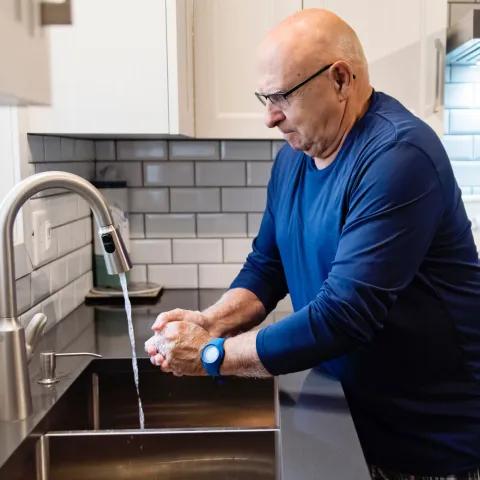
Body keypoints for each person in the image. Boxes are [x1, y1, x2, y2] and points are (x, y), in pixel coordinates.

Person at [145, 8, 480, 480]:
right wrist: (209, 321)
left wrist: (211, 355)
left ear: (341, 80)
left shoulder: (398, 156)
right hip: (350, 423)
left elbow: (342, 317)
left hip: (432, 446)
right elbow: (267, 266)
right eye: (263, 97)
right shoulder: (295, 159)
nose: (268, 117)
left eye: (281, 96)